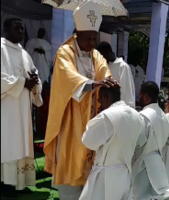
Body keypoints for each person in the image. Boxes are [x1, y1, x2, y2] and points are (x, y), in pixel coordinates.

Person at [44, 2, 118, 200]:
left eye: (94, 38)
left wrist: (108, 83)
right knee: (71, 163)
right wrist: (93, 84)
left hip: (92, 117)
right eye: (88, 39)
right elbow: (68, 78)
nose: (92, 44)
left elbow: (105, 73)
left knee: (91, 170)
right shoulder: (65, 52)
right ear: (77, 33)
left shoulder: (95, 55)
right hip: (71, 121)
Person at [1, 17, 43, 198]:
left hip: (23, 108)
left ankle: (19, 183)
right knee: (8, 143)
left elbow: (34, 74)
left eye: (23, 29)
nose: (21, 31)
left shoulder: (24, 53)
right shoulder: (1, 48)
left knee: (21, 142)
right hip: (7, 108)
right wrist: (21, 82)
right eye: (17, 28)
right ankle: (4, 183)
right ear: (5, 30)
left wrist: (34, 82)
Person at [79, 86, 143, 200]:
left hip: (105, 176)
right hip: (125, 173)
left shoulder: (107, 116)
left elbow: (88, 140)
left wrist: (96, 118)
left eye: (99, 100)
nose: (98, 104)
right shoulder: (136, 115)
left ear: (106, 97)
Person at [132, 81, 169, 200]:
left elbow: (137, 143)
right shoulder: (163, 115)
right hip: (158, 160)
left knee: (140, 195)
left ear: (146, 96)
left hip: (143, 164)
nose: (138, 98)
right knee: (156, 194)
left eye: (139, 95)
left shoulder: (143, 116)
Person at [97, 41, 135, 108]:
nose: (101, 60)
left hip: (118, 109)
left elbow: (126, 91)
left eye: (102, 56)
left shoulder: (122, 67)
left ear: (108, 52)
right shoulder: (102, 66)